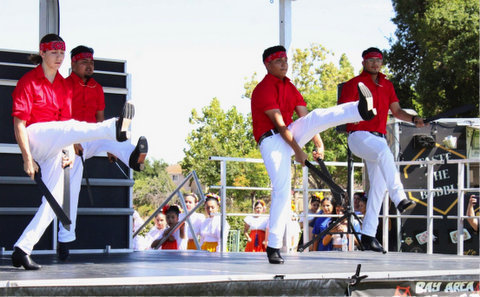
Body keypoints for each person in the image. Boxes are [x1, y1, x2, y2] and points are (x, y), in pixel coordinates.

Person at [11, 34, 134, 270]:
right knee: (69, 127)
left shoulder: (62, 86)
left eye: (61, 54)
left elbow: (65, 122)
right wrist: (27, 158)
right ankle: (113, 127)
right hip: (36, 136)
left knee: (55, 200)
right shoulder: (29, 82)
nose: (58, 58)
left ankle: (22, 249)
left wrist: (67, 149)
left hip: (56, 144)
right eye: (54, 53)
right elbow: (19, 124)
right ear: (43, 53)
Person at [251, 45, 377, 264]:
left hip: (290, 133)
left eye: (286, 59)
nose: (284, 64)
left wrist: (317, 141)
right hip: (272, 141)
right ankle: (273, 247)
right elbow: (280, 126)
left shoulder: (289, 86)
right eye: (279, 60)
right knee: (282, 190)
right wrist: (299, 152)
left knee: (317, 114)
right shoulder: (262, 89)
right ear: (267, 64)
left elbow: (305, 117)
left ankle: (360, 109)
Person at [57, 45, 149, 261]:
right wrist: (73, 140)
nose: (89, 66)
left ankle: (133, 158)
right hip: (69, 139)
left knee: (114, 134)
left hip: (93, 135)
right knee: (72, 190)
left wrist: (108, 146)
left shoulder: (97, 87)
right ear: (73, 64)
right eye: (84, 62)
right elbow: (62, 116)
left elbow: (99, 119)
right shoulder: (63, 85)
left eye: (91, 63)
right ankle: (65, 240)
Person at [338, 47, 424, 252]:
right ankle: (400, 197)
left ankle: (368, 235)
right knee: (385, 153)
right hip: (358, 136)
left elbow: (397, 111)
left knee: (378, 187)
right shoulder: (353, 84)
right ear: (363, 62)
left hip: (378, 138)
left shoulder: (387, 84)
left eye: (378, 60)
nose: (375, 64)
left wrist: (413, 119)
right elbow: (341, 112)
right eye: (371, 60)